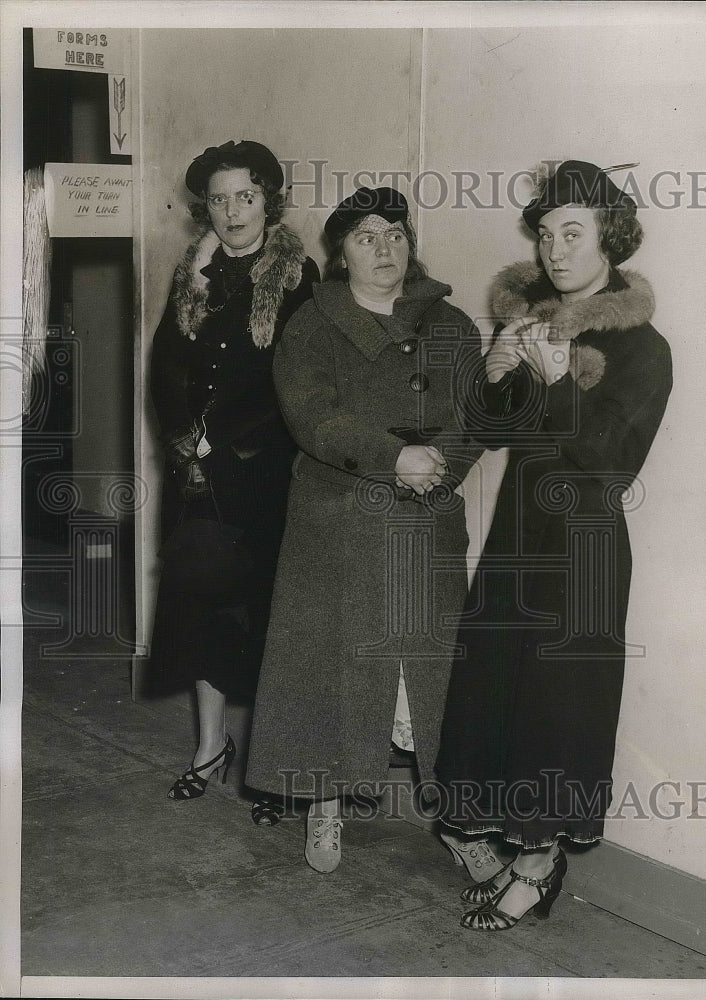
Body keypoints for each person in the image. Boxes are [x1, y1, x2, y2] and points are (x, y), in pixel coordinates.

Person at [435, 160, 673, 930]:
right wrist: (499, 373)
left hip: (585, 546)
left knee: (560, 708)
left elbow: (611, 460)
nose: (555, 251)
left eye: (572, 232)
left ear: (610, 235)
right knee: (499, 689)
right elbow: (494, 431)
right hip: (517, 535)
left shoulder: (644, 348)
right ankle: (519, 845)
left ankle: (537, 864)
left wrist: (562, 377)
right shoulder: (532, 324)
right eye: (544, 235)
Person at [245, 187, 492, 874]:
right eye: (365, 238)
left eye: (394, 234)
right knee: (334, 668)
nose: (384, 249)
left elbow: (473, 414)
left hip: (428, 520)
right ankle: (324, 804)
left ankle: (454, 816)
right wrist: (394, 458)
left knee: (433, 676)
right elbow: (312, 417)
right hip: (339, 523)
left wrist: (436, 464)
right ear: (340, 254)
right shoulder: (312, 326)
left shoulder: (449, 326)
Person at [149, 139, 319, 805]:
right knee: (202, 609)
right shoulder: (191, 275)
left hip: (269, 477)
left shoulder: (300, 278)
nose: (231, 210)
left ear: (267, 200)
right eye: (217, 199)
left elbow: (299, 385)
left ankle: (275, 767)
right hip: (198, 480)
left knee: (271, 616)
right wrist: (182, 436)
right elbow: (164, 367)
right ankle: (210, 746)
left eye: (244, 196)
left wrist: (227, 439)